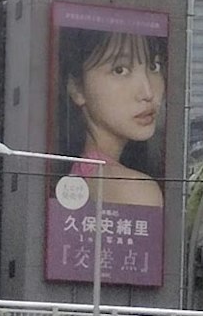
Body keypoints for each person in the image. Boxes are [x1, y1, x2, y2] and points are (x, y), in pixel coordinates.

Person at [56, 24, 167, 211]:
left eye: (153, 66)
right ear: (77, 88)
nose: (147, 92)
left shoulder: (79, 176)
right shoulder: (134, 191)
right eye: (120, 70)